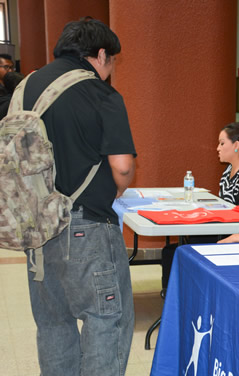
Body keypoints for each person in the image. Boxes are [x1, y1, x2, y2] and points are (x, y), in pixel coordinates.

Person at [23, 18, 136, 376]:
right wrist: (119, 187)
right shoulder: (101, 94)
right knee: (107, 322)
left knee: (54, 324)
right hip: (86, 225)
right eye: (112, 60)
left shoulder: (25, 88)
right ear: (101, 54)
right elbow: (121, 167)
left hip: (36, 230)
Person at [162, 123, 239, 291]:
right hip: (220, 228)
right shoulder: (229, 169)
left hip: (233, 234)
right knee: (173, 250)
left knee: (178, 250)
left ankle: (181, 293)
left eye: (222, 143)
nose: (217, 148)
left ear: (236, 145)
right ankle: (175, 293)